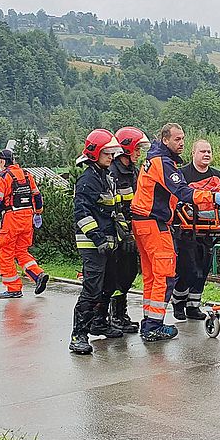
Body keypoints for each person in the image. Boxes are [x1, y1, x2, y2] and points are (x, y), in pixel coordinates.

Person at [130, 123, 220, 341]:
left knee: (151, 276)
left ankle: (149, 322)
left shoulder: (154, 160)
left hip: (144, 223)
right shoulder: (162, 163)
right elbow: (182, 191)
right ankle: (153, 326)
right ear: (165, 140)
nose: (182, 143)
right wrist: (211, 197)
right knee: (165, 276)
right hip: (154, 224)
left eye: (183, 138)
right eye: (177, 139)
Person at [70, 129, 125, 355]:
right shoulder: (88, 180)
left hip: (108, 241)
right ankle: (78, 335)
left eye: (112, 153)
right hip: (92, 244)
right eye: (107, 153)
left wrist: (125, 235)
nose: (111, 157)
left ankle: (98, 323)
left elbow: (113, 209)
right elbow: (81, 214)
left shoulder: (105, 176)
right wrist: (98, 238)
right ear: (94, 153)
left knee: (110, 285)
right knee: (92, 289)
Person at [0, 149, 50, 299]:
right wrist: (38, 212)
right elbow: (36, 195)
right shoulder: (27, 174)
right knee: (21, 251)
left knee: (5, 252)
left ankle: (13, 289)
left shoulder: (3, 177)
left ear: (2, 161)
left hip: (11, 218)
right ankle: (38, 275)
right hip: (27, 218)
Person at [173, 139, 220, 321]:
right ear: (193, 154)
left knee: (202, 271)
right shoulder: (183, 174)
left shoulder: (217, 175)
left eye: (209, 151)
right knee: (188, 269)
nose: (206, 154)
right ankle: (178, 304)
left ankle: (193, 306)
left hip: (208, 230)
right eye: (202, 151)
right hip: (187, 230)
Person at [108, 126, 150, 334]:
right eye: (136, 149)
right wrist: (125, 234)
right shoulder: (114, 172)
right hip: (119, 232)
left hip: (133, 229)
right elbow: (116, 208)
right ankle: (115, 314)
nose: (139, 153)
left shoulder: (132, 170)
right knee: (118, 274)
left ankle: (120, 313)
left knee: (129, 272)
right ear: (126, 148)